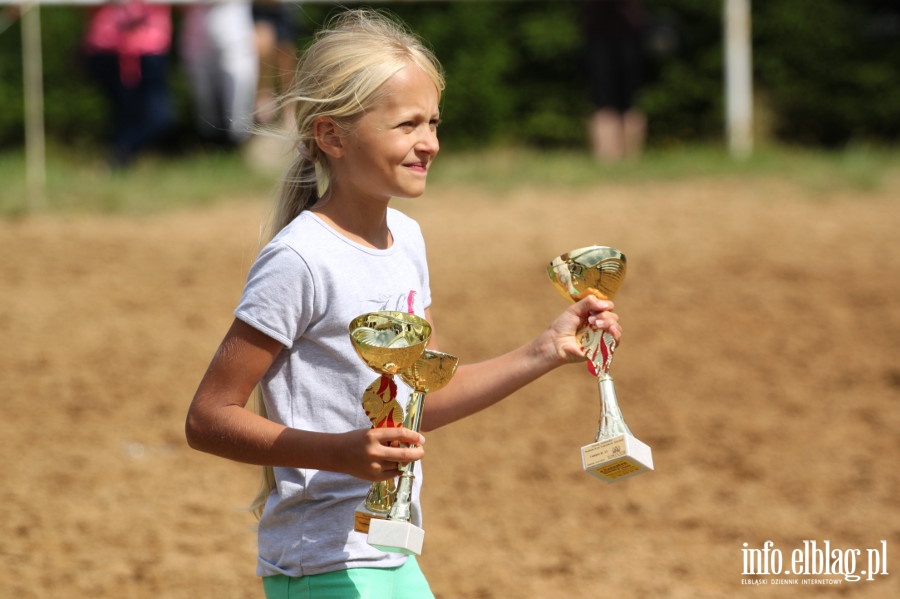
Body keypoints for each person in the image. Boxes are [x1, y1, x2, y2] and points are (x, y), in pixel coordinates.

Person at [184, 9, 622, 598]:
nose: (430, 143)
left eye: (434, 122)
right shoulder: (301, 259)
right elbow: (208, 418)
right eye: (407, 124)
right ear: (331, 135)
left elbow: (420, 401)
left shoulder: (407, 239)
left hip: (392, 555)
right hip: (321, 564)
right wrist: (338, 453)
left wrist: (545, 349)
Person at [82, 0, 174, 168]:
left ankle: (120, 155)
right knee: (124, 115)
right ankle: (119, 162)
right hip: (108, 50)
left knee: (158, 119)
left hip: (150, 50)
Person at [180, 1, 258, 146]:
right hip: (197, 36)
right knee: (203, 94)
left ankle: (238, 141)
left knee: (238, 89)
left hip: (235, 36)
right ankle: (210, 140)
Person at [583, 0, 649, 163]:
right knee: (604, 103)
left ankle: (631, 160)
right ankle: (607, 159)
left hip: (630, 35)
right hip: (599, 36)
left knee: (629, 103)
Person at [252, 0, 302, 129]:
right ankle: (264, 95)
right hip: (258, 8)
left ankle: (290, 106)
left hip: (282, 8)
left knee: (285, 54)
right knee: (261, 47)